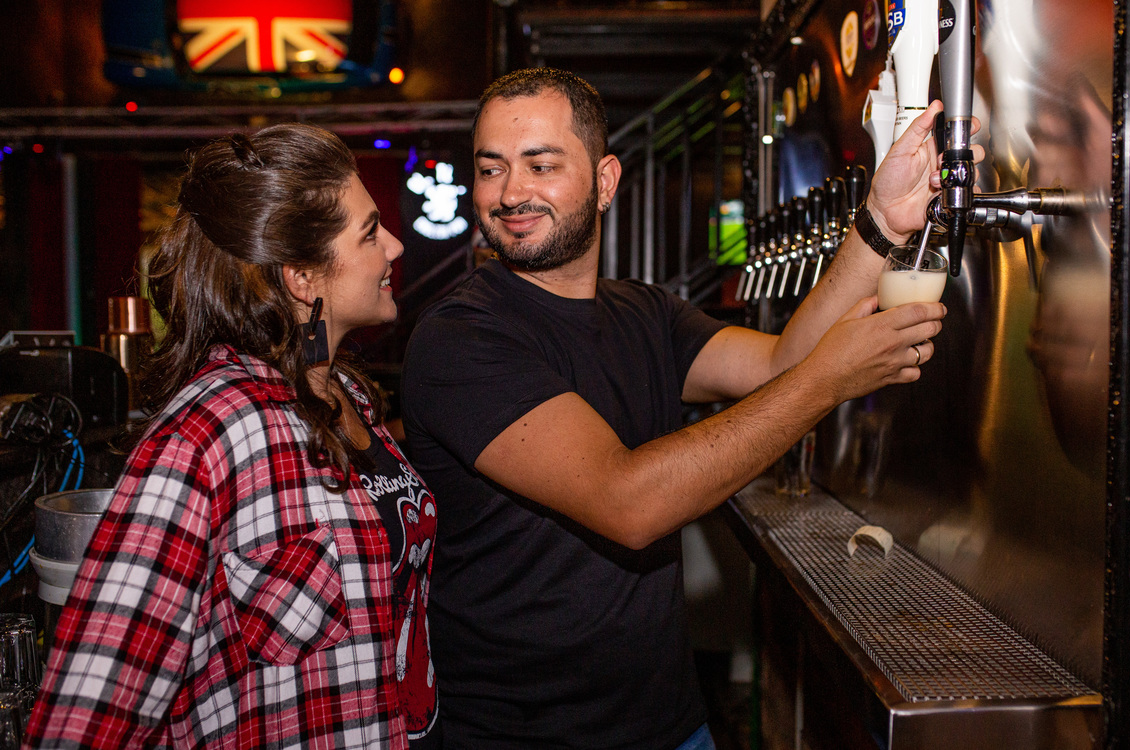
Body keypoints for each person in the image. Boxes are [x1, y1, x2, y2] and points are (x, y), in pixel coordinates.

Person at [401, 68, 969, 749]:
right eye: (491, 169)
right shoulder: (461, 337)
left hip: (671, 725)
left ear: (606, 181)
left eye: (541, 165)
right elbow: (628, 503)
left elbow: (780, 364)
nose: (511, 192)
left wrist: (880, 222)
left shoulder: (642, 312)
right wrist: (827, 383)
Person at [24, 123, 439, 749]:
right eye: (369, 232)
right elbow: (88, 714)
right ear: (302, 276)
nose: (396, 246)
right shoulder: (210, 431)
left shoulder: (347, 393)